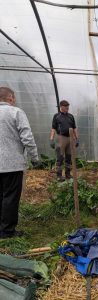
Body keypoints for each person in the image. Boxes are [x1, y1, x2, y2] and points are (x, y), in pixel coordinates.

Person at [0, 87, 39, 238]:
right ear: (10, 98)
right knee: (10, 197)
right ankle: (7, 231)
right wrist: (35, 158)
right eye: (14, 97)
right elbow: (27, 138)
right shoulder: (15, 112)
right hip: (12, 164)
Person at [50, 100, 79, 181]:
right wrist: (51, 139)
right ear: (61, 107)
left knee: (69, 157)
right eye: (66, 107)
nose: (67, 108)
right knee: (60, 157)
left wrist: (76, 139)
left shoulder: (71, 116)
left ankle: (68, 174)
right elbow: (53, 128)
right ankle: (59, 175)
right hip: (61, 138)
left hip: (70, 138)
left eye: (68, 107)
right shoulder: (56, 116)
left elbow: (74, 128)